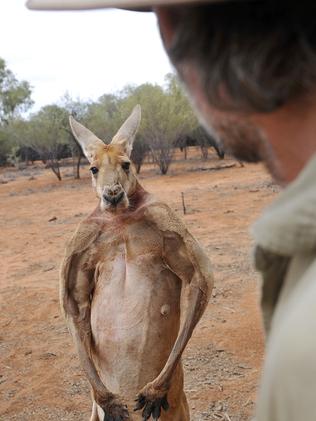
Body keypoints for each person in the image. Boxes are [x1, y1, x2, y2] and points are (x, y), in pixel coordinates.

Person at [27, 1, 316, 420]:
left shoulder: (163, 224)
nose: (110, 185)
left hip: (160, 395)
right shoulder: (89, 236)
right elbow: (73, 310)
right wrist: (99, 391)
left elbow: (200, 279)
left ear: (170, 27)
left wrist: (163, 377)